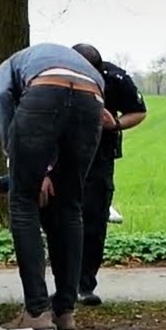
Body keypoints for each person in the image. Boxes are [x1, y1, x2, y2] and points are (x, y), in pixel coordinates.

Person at [0, 42, 105, 330]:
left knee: (23, 202)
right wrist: (45, 170)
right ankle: (65, 312)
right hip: (93, 97)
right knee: (69, 205)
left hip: (45, 89)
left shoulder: (9, 66)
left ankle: (37, 311)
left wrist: (14, 157)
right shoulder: (79, 64)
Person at [65, 54, 147, 306]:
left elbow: (139, 112)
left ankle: (84, 285)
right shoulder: (59, 75)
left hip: (100, 156)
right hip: (63, 154)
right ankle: (62, 285)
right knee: (62, 219)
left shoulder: (117, 78)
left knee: (94, 219)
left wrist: (115, 125)